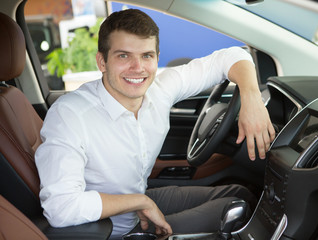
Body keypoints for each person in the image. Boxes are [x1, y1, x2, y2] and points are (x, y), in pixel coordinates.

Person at [35, 9, 275, 239]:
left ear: (157, 58)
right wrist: (141, 202)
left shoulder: (160, 90)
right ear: (102, 61)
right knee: (237, 208)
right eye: (123, 55)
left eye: (146, 56)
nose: (137, 68)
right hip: (112, 230)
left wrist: (252, 98)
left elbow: (232, 56)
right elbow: (61, 207)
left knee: (240, 192)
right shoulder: (70, 115)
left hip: (137, 203)